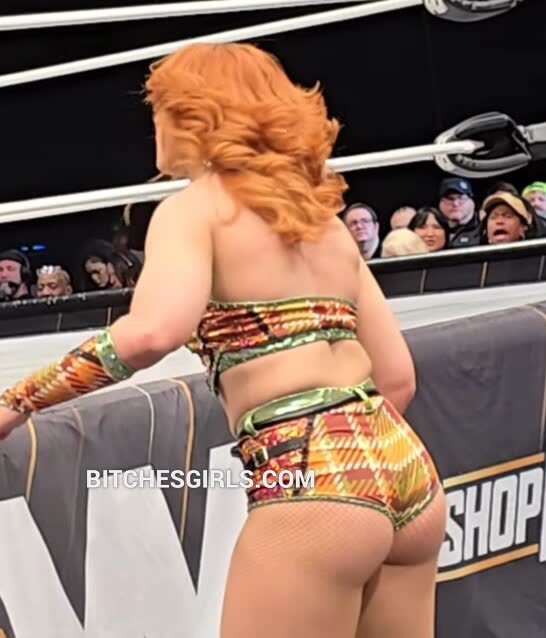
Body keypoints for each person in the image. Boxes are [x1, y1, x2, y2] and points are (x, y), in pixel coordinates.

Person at [0, 43, 446, 638]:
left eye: (160, 109)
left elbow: (153, 331)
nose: (154, 126)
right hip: (404, 468)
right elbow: (397, 379)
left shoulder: (196, 210)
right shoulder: (321, 221)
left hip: (312, 475)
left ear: (194, 116)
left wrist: (17, 401)